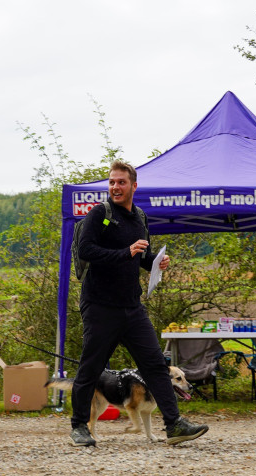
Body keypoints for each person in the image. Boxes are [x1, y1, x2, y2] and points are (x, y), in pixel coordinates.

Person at [69, 160, 208, 447]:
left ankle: (174, 425)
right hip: (100, 305)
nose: (115, 187)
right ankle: (79, 427)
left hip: (131, 307)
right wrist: (125, 251)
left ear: (134, 186)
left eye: (121, 182)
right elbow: (86, 250)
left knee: (156, 364)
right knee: (91, 367)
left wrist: (156, 261)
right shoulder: (100, 214)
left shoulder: (140, 218)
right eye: (111, 182)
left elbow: (140, 256)